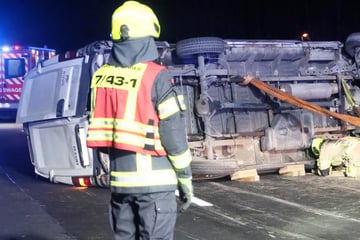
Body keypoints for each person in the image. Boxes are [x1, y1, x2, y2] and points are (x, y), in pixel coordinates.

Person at [86, 1, 193, 239]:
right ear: (146, 38)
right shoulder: (156, 76)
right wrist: (185, 177)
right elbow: (173, 133)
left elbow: (99, 128)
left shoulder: (100, 77)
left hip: (120, 185)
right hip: (155, 184)